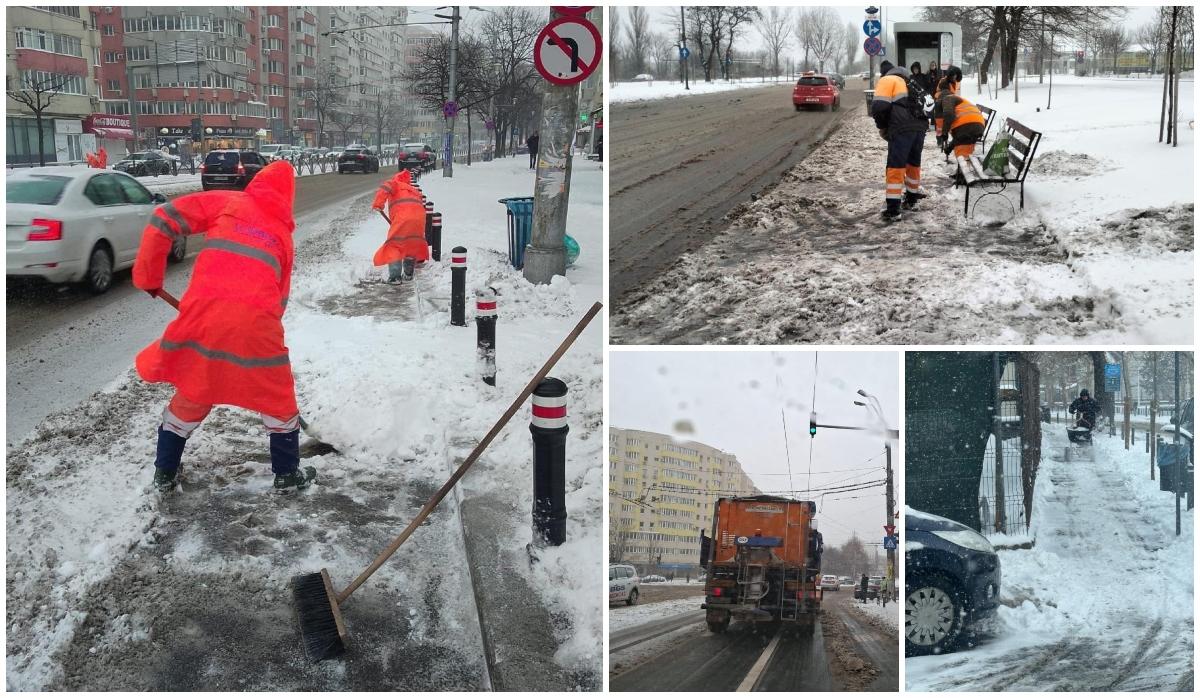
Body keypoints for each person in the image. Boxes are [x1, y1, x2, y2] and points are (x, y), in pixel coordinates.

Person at [132, 161, 316, 493]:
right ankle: (287, 475)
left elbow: (163, 217)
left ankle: (165, 472)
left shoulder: (227, 202)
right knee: (277, 397)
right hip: (256, 325)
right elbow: (280, 298)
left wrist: (148, 275)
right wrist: (256, 334)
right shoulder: (282, 236)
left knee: (196, 387)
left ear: (256, 183)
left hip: (203, 318)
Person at [871, 60, 930, 220]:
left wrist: (883, 127)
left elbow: (879, 107)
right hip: (920, 127)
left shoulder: (887, 80)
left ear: (884, 73)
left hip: (901, 128)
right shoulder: (910, 82)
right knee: (913, 164)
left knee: (895, 167)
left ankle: (893, 210)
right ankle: (911, 200)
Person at [371, 169, 428, 281]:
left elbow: (385, 187)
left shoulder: (395, 184)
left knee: (394, 245)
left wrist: (378, 204)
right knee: (411, 244)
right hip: (419, 219)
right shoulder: (413, 190)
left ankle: (395, 277)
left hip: (403, 218)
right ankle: (408, 274)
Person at [937, 68, 986, 163]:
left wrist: (944, 132)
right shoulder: (957, 99)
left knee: (962, 154)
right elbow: (959, 136)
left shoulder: (947, 98)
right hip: (977, 125)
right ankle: (965, 168)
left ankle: (964, 169)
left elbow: (949, 115)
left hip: (968, 126)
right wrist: (949, 148)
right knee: (966, 150)